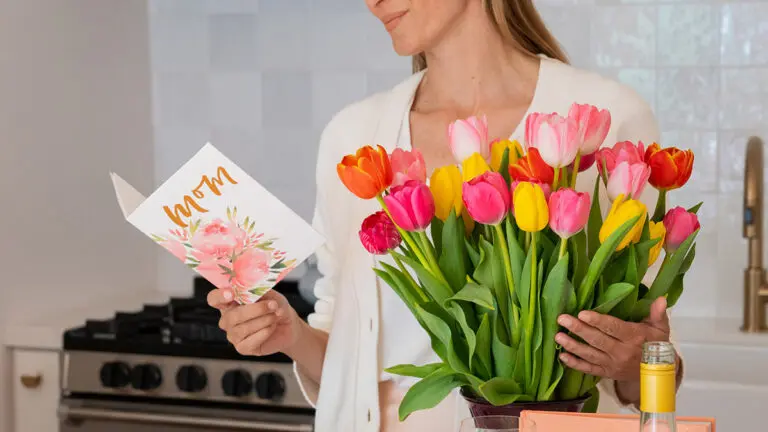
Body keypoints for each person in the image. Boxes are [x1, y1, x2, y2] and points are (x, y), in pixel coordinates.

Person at [208, 0, 684, 430]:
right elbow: (344, 354)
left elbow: (651, 357)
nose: (372, 3)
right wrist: (290, 334)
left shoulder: (601, 119)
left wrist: (641, 363)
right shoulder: (353, 139)